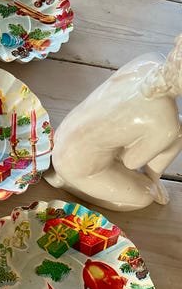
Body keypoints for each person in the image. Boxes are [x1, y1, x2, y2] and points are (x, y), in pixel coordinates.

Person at [45, 34, 182, 211]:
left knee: (176, 131)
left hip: (63, 136)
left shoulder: (150, 59)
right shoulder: (166, 123)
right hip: (78, 166)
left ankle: (151, 178)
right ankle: (68, 182)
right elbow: (130, 163)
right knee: (146, 195)